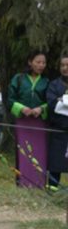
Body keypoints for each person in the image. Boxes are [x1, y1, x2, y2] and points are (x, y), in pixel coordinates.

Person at [8, 52, 49, 188]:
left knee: (39, 152)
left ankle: (39, 183)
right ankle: (23, 183)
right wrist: (21, 108)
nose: (41, 65)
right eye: (38, 62)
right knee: (24, 152)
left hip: (40, 122)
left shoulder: (46, 81)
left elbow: (51, 102)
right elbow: (10, 99)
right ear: (30, 62)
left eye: (43, 62)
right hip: (22, 121)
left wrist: (41, 109)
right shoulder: (18, 79)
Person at [46, 54, 68, 189]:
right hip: (59, 130)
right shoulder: (54, 84)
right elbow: (52, 104)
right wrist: (61, 101)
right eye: (62, 65)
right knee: (55, 164)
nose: (65, 68)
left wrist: (63, 101)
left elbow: (61, 103)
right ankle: (52, 191)